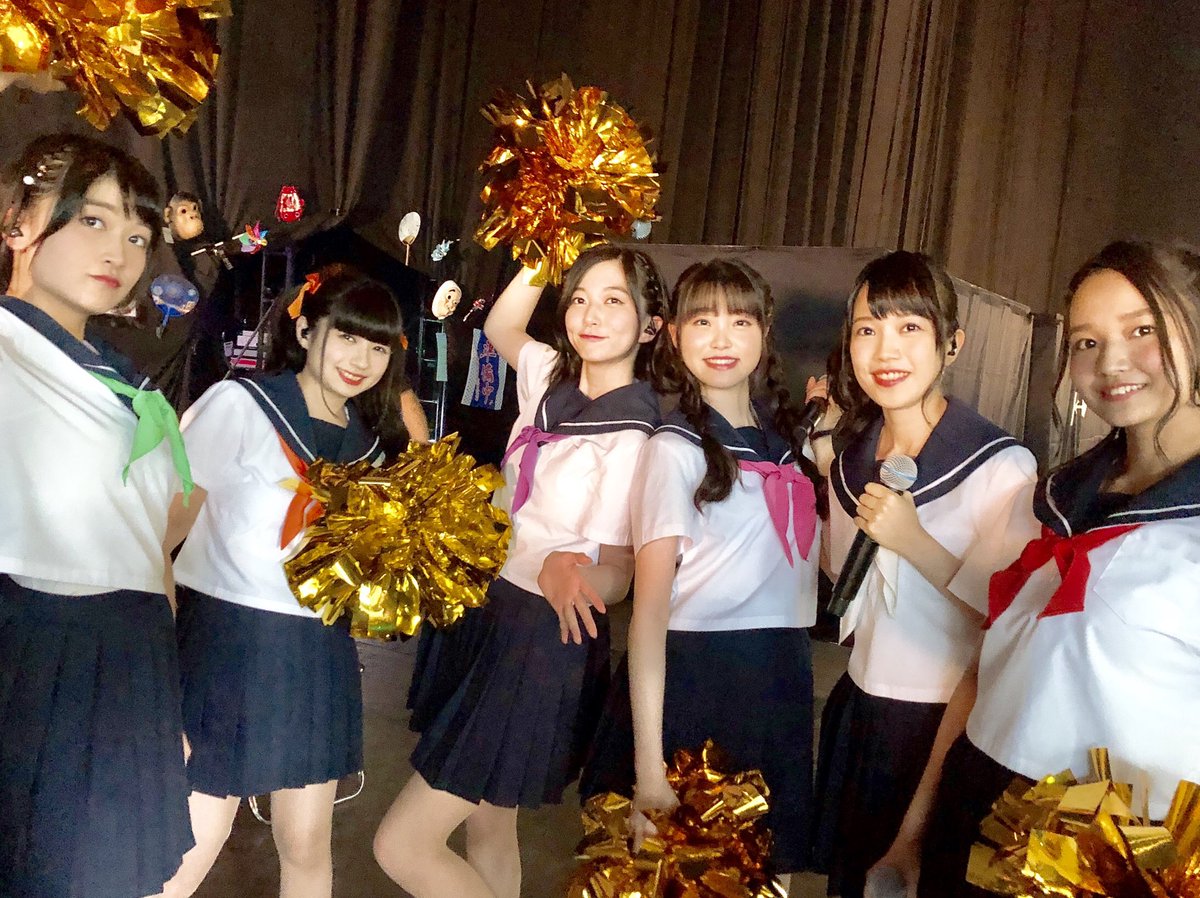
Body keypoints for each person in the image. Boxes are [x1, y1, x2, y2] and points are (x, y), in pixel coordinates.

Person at [873, 240, 1200, 897]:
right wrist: (914, 829)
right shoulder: (1056, 501)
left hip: (1115, 856)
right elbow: (986, 670)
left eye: (1142, 331)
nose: (1111, 361)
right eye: (1086, 342)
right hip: (978, 810)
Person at [373, 246, 668, 898]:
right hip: (490, 607)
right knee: (488, 827)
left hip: (542, 635)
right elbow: (502, 326)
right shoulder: (550, 379)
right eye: (580, 297)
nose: (591, 314)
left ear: (651, 326)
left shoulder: (639, 435)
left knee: (402, 844)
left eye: (614, 300)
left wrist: (577, 577)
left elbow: (623, 571)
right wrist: (546, 237)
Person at [158, 268, 409, 898]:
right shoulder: (240, 406)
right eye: (346, 336)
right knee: (190, 842)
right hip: (224, 644)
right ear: (305, 331)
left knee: (306, 846)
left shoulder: (369, 450)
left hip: (317, 652)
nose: (361, 360)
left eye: (378, 347)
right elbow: (156, 536)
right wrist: (152, 662)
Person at [580, 258, 826, 879]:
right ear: (673, 334)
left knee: (767, 877)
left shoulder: (787, 448)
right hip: (698, 681)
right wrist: (649, 771)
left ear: (764, 331)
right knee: (687, 879)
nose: (721, 339)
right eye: (702, 321)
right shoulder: (674, 449)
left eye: (740, 321)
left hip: (782, 678)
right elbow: (648, 617)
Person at [0, 133, 194, 898]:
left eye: (139, 236)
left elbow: (149, 547)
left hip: (129, 659)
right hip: (35, 656)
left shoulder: (123, 380)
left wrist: (161, 699)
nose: (120, 250)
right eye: (92, 220)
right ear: (18, 223)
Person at [810, 250, 1037, 898]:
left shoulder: (1001, 467)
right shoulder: (850, 463)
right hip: (859, 706)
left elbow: (1009, 620)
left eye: (910, 327)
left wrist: (915, 543)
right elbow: (843, 583)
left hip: (944, 727)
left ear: (952, 344)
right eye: (867, 329)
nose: (886, 350)